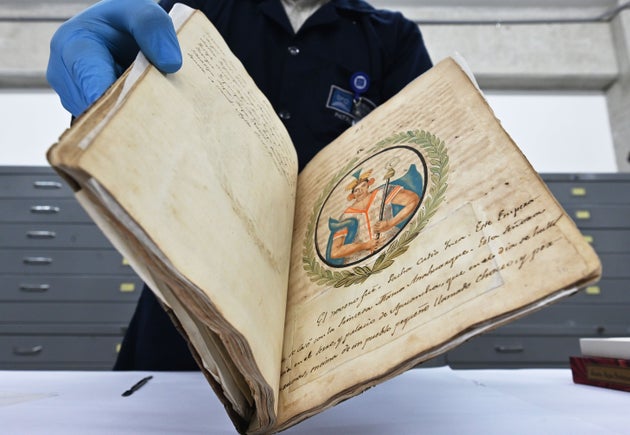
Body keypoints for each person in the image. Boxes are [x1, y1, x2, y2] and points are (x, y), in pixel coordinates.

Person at [47, 0, 432, 370]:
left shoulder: (393, 39)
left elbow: (419, 166)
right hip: (188, 295)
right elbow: (131, 116)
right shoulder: (200, 9)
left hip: (332, 309)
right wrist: (106, 89)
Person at [328, 168, 420, 264]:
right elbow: (335, 252)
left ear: (369, 184)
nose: (360, 191)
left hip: (392, 244)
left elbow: (414, 200)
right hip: (364, 259)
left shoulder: (382, 193)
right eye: (356, 190)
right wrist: (364, 245)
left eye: (363, 186)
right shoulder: (346, 216)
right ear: (352, 196)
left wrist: (390, 223)